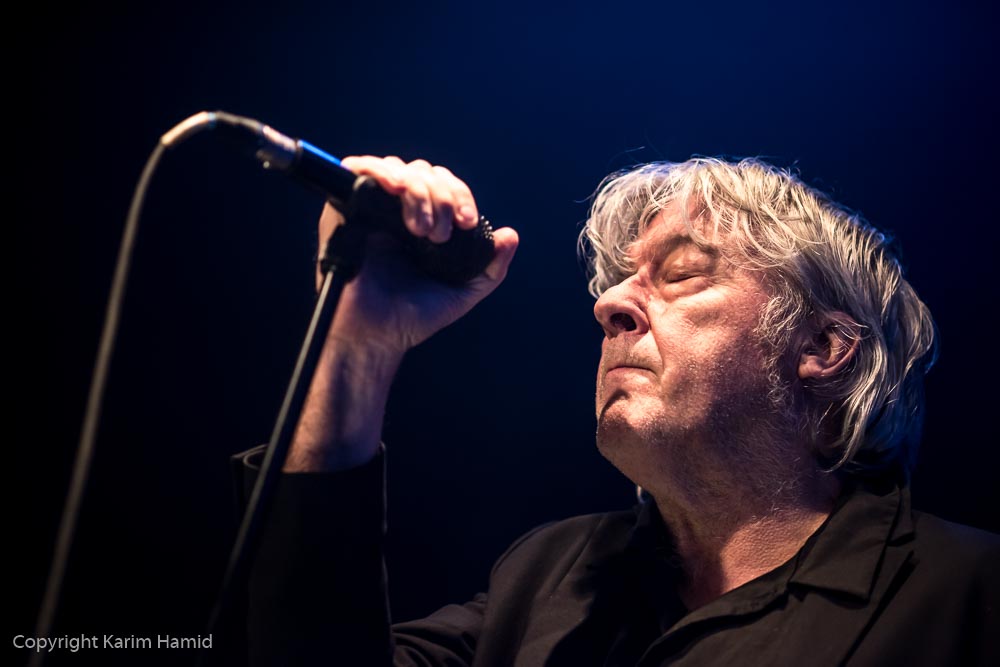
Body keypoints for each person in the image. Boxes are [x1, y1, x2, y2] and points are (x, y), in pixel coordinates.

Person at [232, 156, 999, 665]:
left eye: (681, 272)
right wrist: (356, 344)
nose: (609, 304)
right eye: (617, 281)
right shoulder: (547, 576)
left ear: (823, 346)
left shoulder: (966, 596)